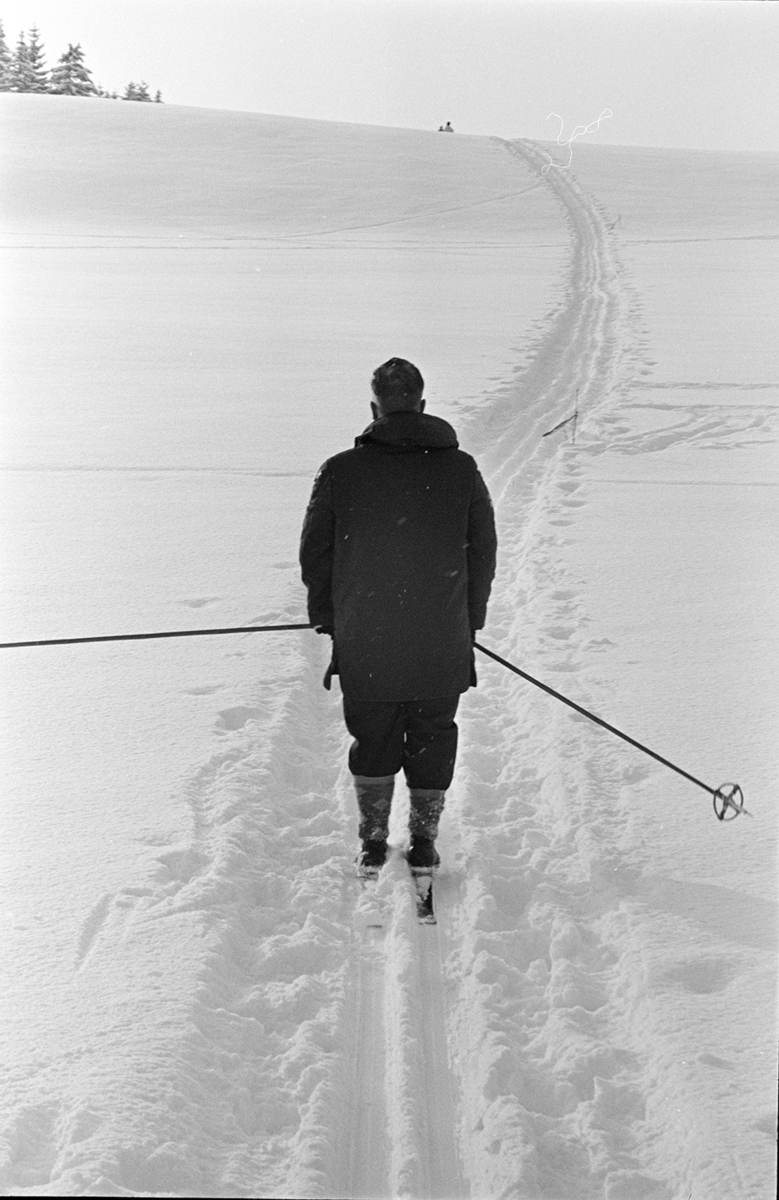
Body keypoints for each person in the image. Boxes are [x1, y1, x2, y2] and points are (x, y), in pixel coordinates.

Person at [299, 358, 497, 874]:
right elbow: (483, 552)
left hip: (367, 637)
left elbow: (315, 553)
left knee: (373, 736)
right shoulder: (461, 470)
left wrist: (330, 618)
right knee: (434, 733)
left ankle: (373, 840)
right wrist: (468, 620)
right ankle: (424, 841)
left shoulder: (341, 470)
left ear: (375, 409)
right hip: (440, 637)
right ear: (422, 405)